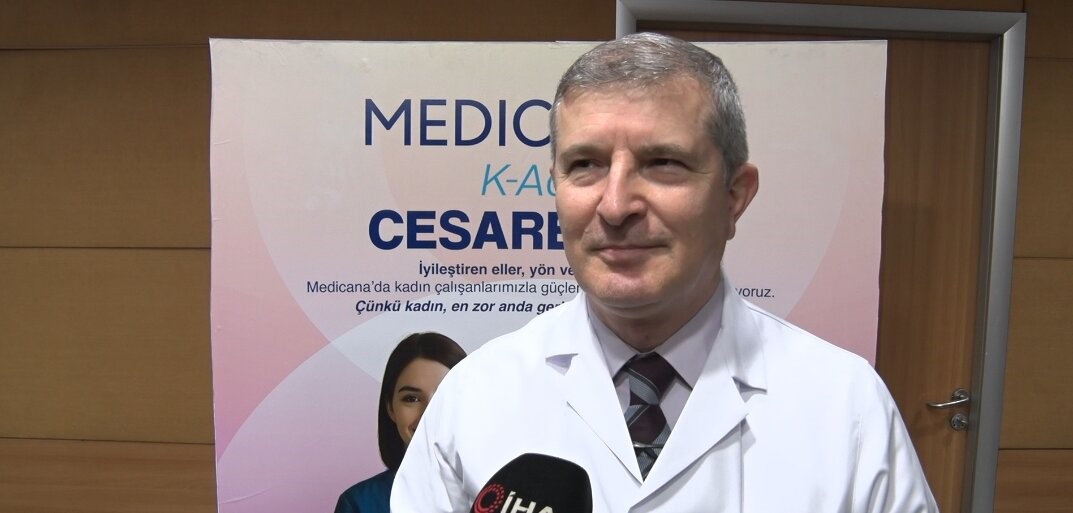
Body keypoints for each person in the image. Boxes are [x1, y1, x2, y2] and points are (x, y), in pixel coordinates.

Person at [392, 33, 938, 512]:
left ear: (734, 196)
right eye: (585, 164)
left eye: (663, 163)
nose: (615, 206)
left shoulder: (846, 407)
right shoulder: (474, 396)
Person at [333, 332, 465, 513]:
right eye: (412, 398)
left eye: (445, 396)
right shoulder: (359, 504)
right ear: (390, 408)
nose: (428, 414)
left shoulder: (498, 494)